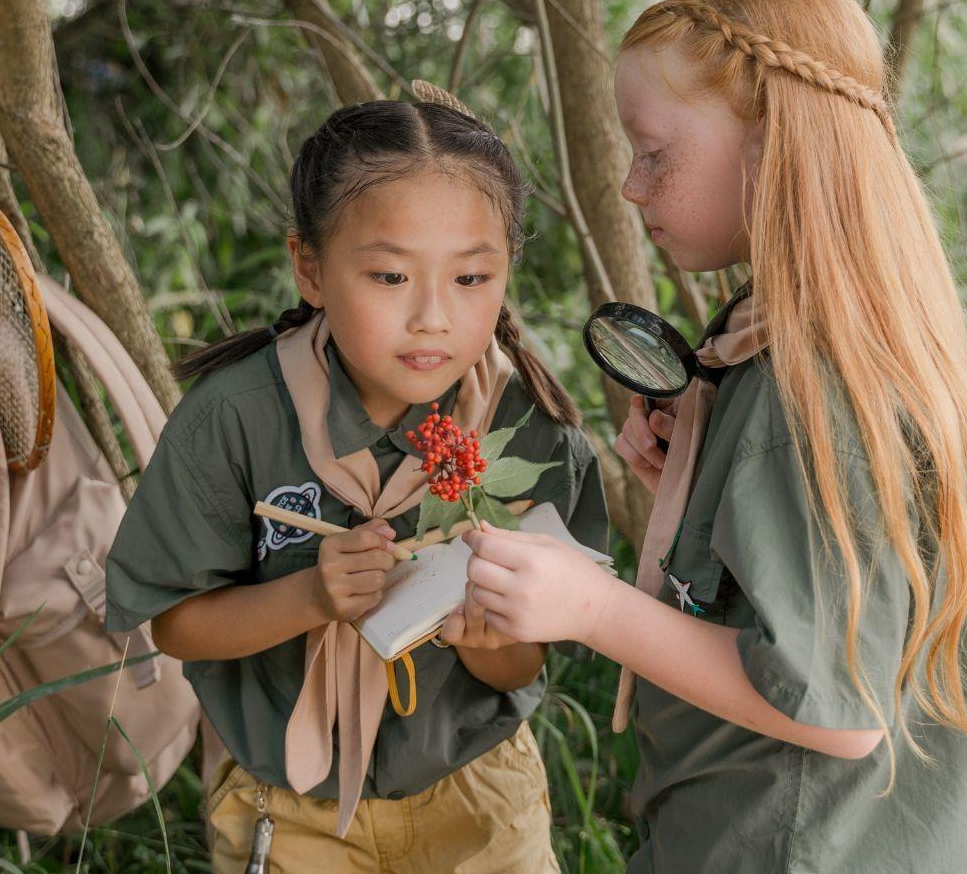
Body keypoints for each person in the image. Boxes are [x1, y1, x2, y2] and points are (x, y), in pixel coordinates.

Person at [461, 0, 967, 872]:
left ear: (770, 142)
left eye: (654, 152)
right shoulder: (813, 346)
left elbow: (834, 712)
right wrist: (701, 476)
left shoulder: (811, 391)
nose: (634, 186)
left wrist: (588, 607)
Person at [104, 94, 607, 872]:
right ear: (310, 267)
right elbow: (174, 623)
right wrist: (308, 597)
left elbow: (526, 663)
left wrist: (490, 644)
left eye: (472, 276)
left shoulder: (533, 436)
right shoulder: (236, 419)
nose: (434, 316)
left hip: (476, 794)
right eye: (390, 275)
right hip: (292, 806)